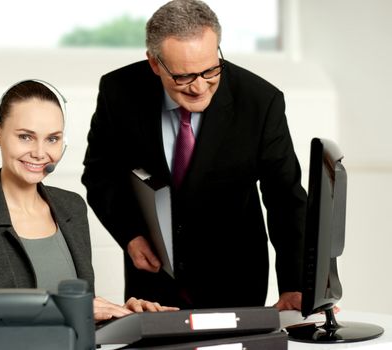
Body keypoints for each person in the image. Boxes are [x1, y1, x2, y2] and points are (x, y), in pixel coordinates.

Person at [82, 0, 307, 311]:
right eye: (183, 77)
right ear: (155, 63)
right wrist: (130, 235)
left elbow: (286, 198)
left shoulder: (260, 102)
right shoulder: (118, 91)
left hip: (235, 282)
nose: (200, 87)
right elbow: (100, 173)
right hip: (152, 285)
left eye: (211, 70)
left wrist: (296, 284)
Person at [0, 79, 177, 336]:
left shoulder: (71, 207)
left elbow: (80, 322)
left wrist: (124, 316)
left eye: (52, 139)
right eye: (25, 137)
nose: (39, 152)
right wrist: (70, 312)